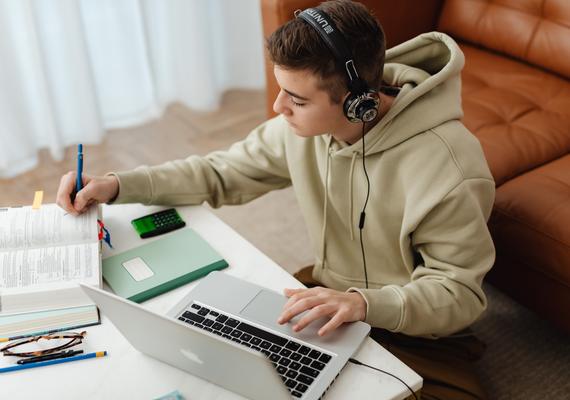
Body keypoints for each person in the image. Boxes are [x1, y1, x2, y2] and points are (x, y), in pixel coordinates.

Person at [57, 1, 495, 398]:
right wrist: (117, 185)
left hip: (416, 333)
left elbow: (459, 293)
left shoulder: (449, 168)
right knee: (211, 361)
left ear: (357, 102)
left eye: (297, 99)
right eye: (280, 89)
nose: (278, 108)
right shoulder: (299, 130)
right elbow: (220, 171)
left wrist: (364, 304)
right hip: (324, 298)